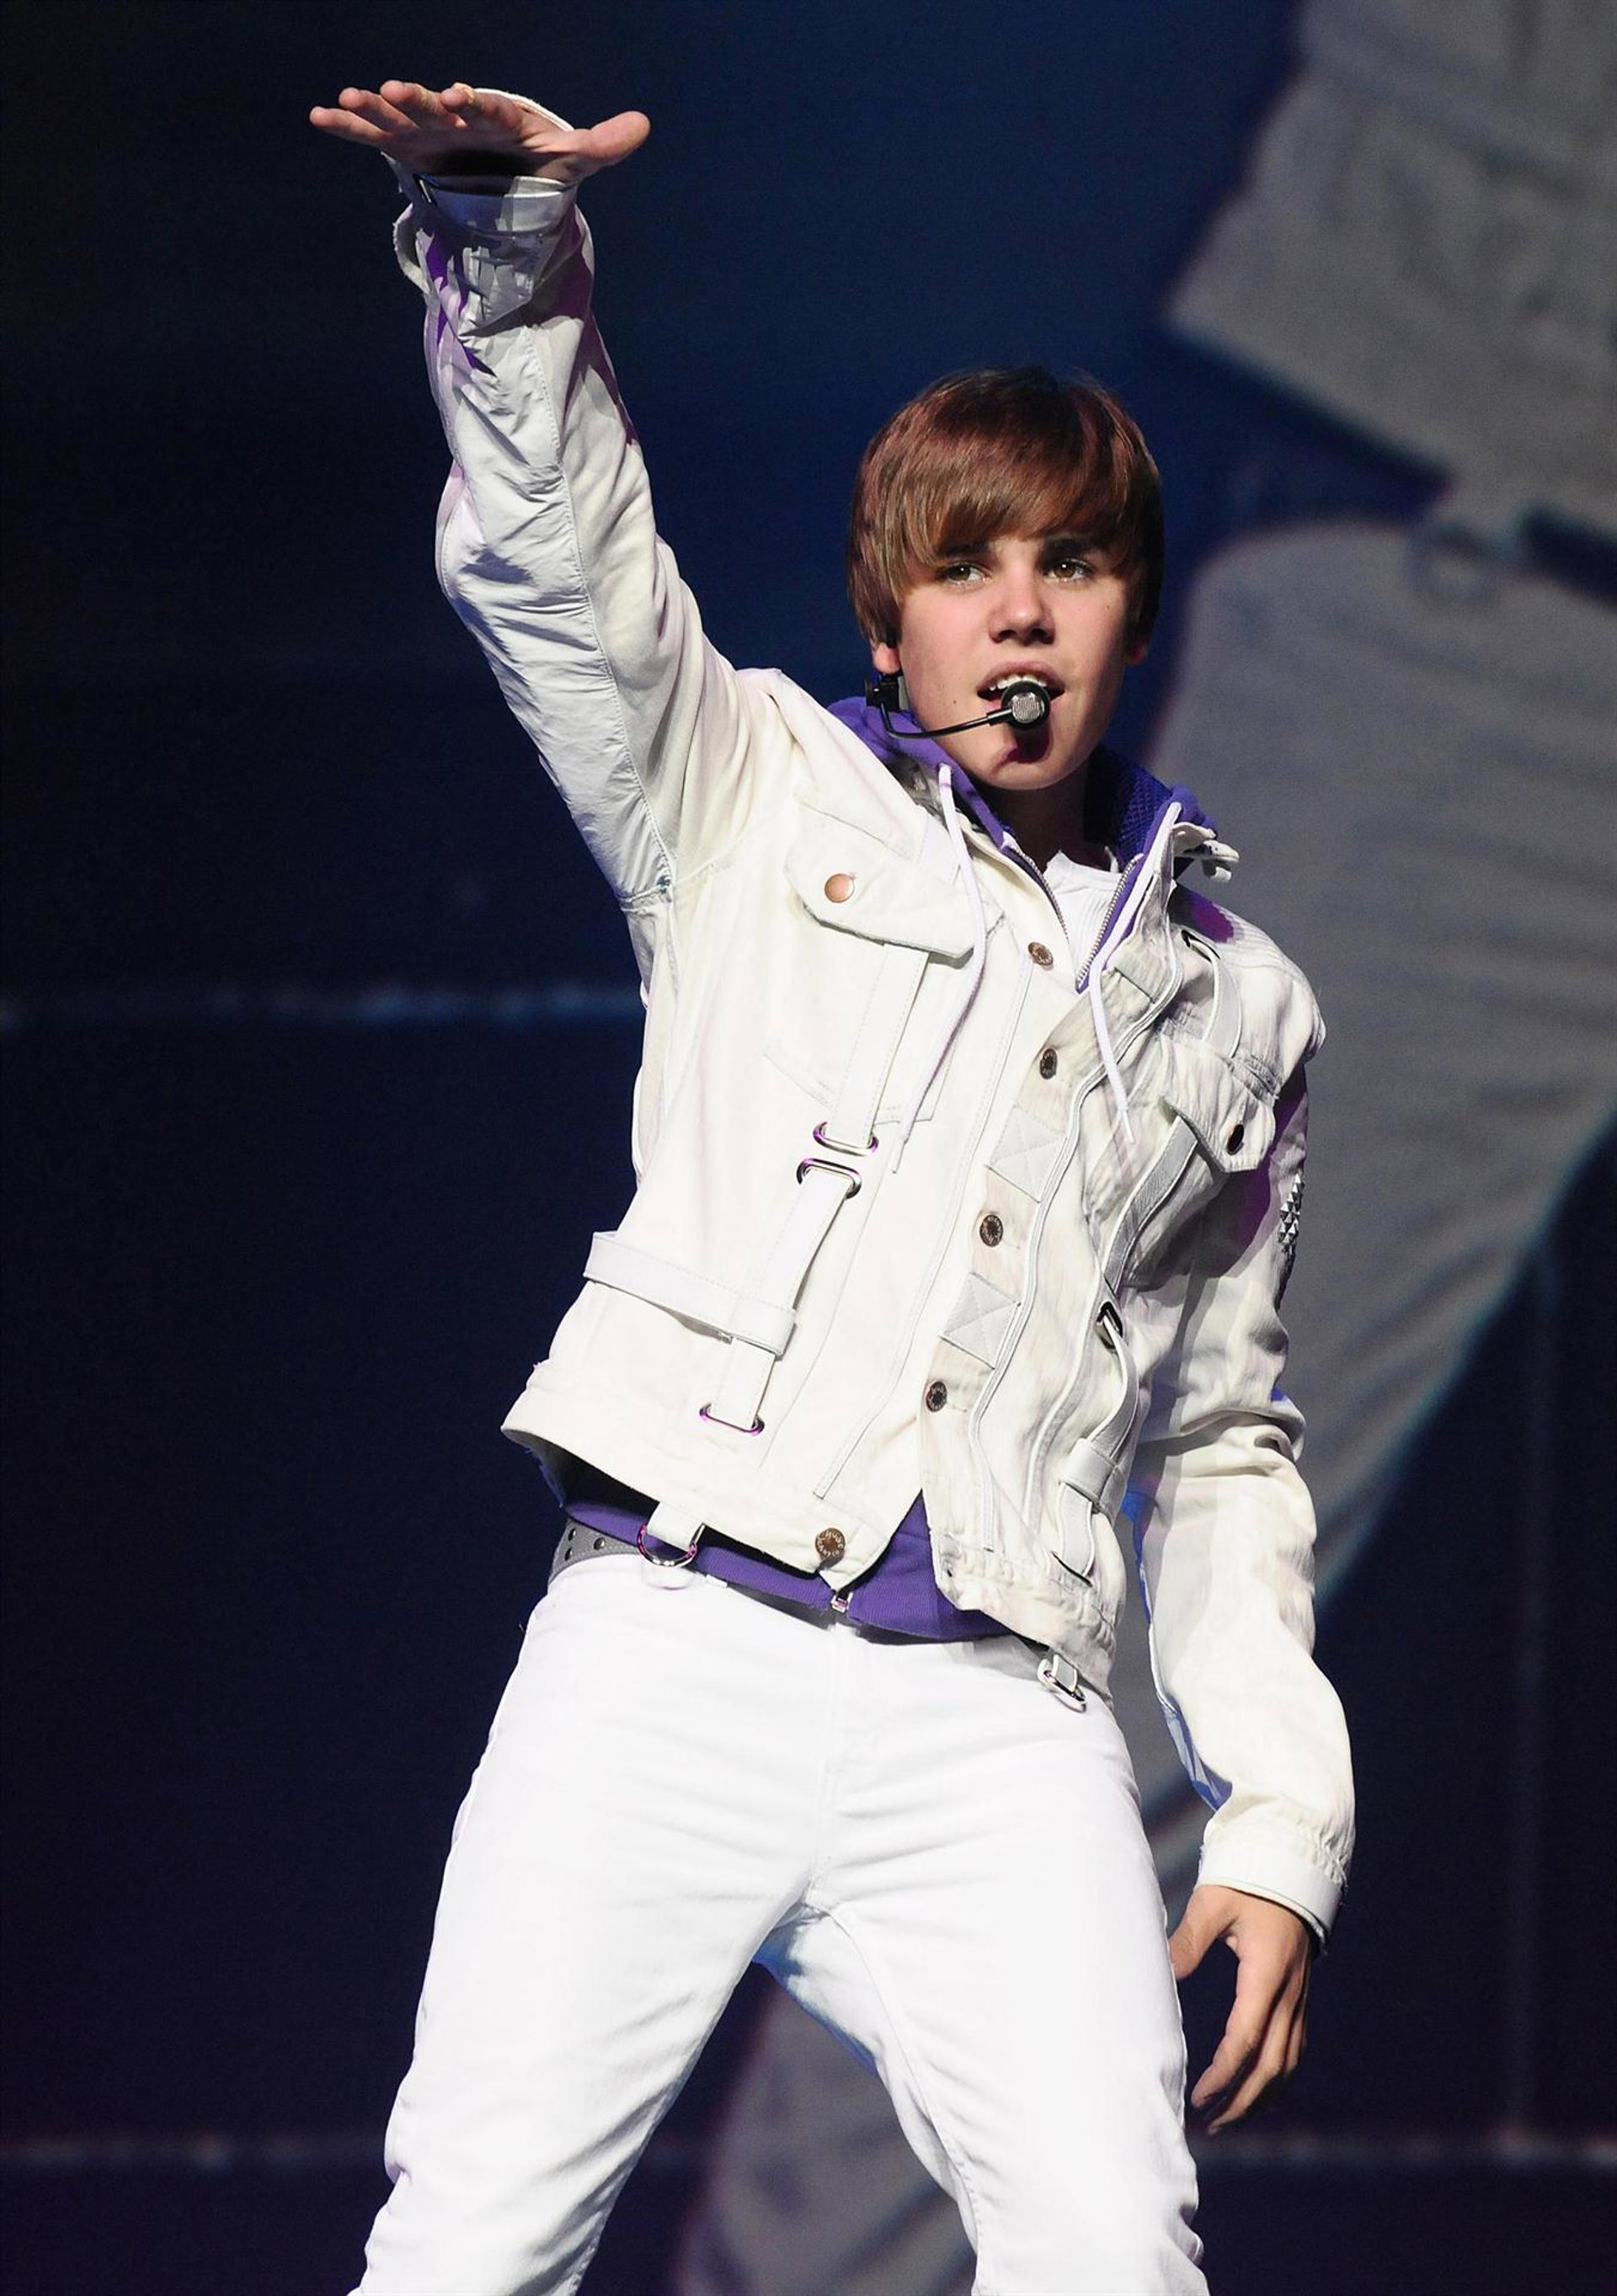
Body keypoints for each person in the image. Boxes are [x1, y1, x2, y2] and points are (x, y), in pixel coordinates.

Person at [311, 77, 1354, 2296]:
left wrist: (1278, 1814)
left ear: (1132, 614)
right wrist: (506, 247)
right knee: (473, 2249)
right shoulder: (752, 791)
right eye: (966, 570)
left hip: (993, 1718)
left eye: (1071, 568)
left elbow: (1219, 1441)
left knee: (1117, 2256)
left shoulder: (1236, 1002)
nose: (1020, 617)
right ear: (892, 619)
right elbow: (561, 566)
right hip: (669, 1643)